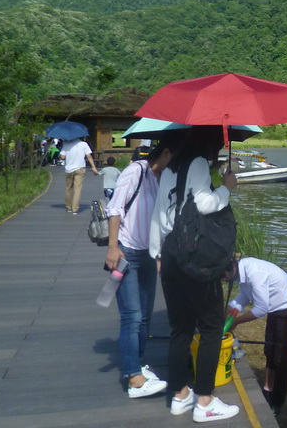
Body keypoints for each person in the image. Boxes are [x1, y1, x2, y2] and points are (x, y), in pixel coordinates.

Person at [148, 129, 240, 423]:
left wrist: (157, 254)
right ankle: (204, 401)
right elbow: (204, 204)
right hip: (194, 257)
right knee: (211, 328)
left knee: (180, 330)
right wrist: (226, 188)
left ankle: (180, 395)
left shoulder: (171, 166)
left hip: (170, 253)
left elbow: (159, 213)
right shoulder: (198, 163)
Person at [105, 143, 171, 398]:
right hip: (127, 252)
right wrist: (113, 247)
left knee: (145, 316)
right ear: (166, 153)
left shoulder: (158, 178)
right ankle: (134, 379)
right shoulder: (136, 171)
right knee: (132, 316)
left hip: (148, 255)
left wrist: (158, 254)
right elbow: (115, 208)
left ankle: (139, 366)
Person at [225, 256, 287, 415]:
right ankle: (267, 389)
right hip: (274, 307)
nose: (223, 281)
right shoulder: (240, 271)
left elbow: (261, 308)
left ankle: (277, 402)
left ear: (230, 269)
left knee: (281, 357)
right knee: (269, 350)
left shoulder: (254, 273)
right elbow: (244, 296)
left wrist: (236, 321)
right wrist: (230, 309)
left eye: (223, 277)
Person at [62, 136, 99, 214]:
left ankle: (68, 207)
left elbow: (62, 157)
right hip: (80, 168)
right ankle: (75, 209)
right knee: (77, 189)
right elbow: (89, 156)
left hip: (69, 169)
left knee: (68, 188)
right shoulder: (84, 144)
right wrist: (93, 166)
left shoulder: (66, 144)